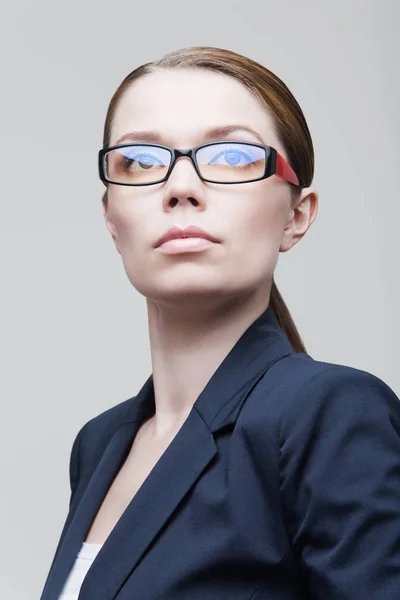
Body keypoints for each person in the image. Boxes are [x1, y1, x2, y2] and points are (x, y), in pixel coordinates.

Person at [40, 46, 400, 600]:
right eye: (140, 160)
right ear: (111, 218)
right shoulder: (99, 444)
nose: (181, 188)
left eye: (231, 156)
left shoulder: (331, 414)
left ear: (297, 215)